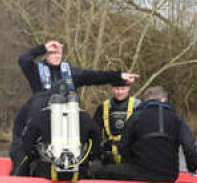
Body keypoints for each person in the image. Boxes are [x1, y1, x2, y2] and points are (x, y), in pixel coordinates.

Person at [10, 40, 138, 165]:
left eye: (58, 53)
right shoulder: (36, 71)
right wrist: (43, 47)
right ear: (46, 55)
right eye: (52, 53)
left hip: (67, 120)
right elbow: (23, 60)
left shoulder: (72, 73)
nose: (56, 56)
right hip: (42, 119)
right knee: (24, 133)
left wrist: (119, 76)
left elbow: (95, 76)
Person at [94, 86, 197, 183]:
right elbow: (190, 147)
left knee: (102, 171)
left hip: (140, 172)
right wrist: (192, 169)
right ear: (164, 100)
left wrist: (130, 162)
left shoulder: (135, 117)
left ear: (145, 100)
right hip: (170, 175)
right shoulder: (177, 118)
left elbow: (122, 147)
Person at [11, 84, 102, 181]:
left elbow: (27, 146)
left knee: (25, 165)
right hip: (79, 173)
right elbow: (96, 142)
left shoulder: (39, 117)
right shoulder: (85, 117)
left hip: (46, 173)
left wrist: (35, 157)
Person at [93, 85, 141, 165]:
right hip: (108, 153)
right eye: (117, 89)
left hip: (131, 154)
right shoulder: (103, 107)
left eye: (123, 89)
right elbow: (95, 131)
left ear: (128, 88)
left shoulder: (137, 106)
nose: (119, 92)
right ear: (112, 88)